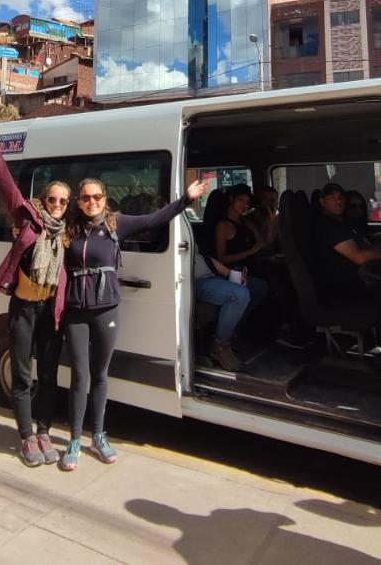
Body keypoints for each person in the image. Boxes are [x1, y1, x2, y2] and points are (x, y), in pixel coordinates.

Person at [58, 173, 206, 471]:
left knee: (100, 375)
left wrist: (185, 200)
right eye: (85, 198)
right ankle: (74, 440)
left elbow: (154, 220)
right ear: (79, 201)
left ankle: (98, 436)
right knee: (79, 375)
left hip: (106, 309)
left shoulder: (116, 223)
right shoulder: (69, 228)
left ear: (105, 197)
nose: (91, 202)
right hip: (75, 311)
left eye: (96, 197)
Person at [0, 123, 70, 468]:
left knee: (49, 375)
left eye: (63, 201)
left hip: (51, 310)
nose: (58, 205)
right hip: (23, 309)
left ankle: (44, 430)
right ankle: (26, 437)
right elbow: (7, 187)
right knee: (22, 375)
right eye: (53, 199)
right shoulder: (30, 219)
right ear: (43, 201)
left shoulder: (67, 233)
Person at [196, 185, 269, 371]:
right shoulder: (221, 226)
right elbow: (219, 258)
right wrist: (247, 255)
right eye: (240, 200)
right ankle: (220, 344)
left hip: (219, 273)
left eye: (247, 202)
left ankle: (232, 330)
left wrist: (271, 220)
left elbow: (209, 260)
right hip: (198, 279)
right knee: (240, 294)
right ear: (231, 201)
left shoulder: (246, 223)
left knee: (260, 287)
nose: (244, 205)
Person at [314, 182, 381, 300]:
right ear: (322, 202)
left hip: (357, 277)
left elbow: (365, 246)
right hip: (346, 286)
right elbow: (359, 257)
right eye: (332, 198)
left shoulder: (342, 224)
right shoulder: (328, 227)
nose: (338, 201)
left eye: (340, 198)